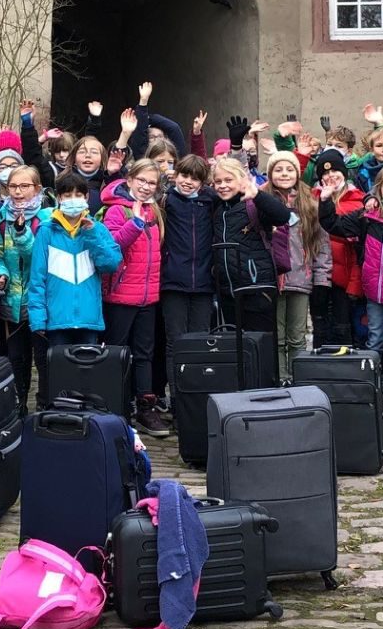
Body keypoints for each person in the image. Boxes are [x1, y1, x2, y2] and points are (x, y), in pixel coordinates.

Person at [319, 164, 383, 403]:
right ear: (378, 189)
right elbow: (333, 225)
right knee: (375, 339)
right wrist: (325, 201)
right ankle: (373, 383)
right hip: (375, 289)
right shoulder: (366, 216)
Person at [26, 172, 124, 402]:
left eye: (78, 194)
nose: (73, 199)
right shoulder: (46, 231)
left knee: (86, 375)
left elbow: (111, 263)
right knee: (58, 375)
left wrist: (91, 234)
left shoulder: (97, 229)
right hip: (56, 320)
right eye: (67, 194)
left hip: (89, 319)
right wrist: (38, 318)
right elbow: (37, 278)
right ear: (59, 198)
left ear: (86, 197)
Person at [102, 159, 168, 436]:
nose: (145, 186)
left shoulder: (156, 212)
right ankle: (117, 407)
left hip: (147, 297)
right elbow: (111, 246)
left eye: (151, 182)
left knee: (144, 355)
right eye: (141, 180)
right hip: (120, 296)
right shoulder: (117, 211)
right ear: (129, 180)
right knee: (118, 353)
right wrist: (136, 222)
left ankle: (145, 406)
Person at [264, 153, 331, 378]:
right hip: (271, 279)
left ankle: (298, 379)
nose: (284, 174)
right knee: (277, 336)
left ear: (297, 173)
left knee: (297, 336)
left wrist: (322, 279)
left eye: (289, 169)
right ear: (270, 174)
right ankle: (280, 378)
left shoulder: (309, 202)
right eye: (279, 169)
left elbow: (321, 245)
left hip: (301, 277)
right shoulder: (261, 199)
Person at [210, 156, 288, 345]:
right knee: (236, 349)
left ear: (241, 180)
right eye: (218, 181)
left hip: (257, 290)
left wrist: (257, 195)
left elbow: (282, 216)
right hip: (228, 293)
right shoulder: (217, 209)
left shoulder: (253, 204)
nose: (223, 186)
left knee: (260, 347)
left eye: (228, 180)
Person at [159, 153, 216, 390]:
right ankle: (177, 396)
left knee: (200, 341)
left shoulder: (210, 201)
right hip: (173, 281)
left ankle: (198, 392)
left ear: (203, 182)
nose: (187, 181)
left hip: (203, 282)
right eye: (184, 175)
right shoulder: (167, 200)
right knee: (176, 341)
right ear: (175, 175)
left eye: (194, 178)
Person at [0, 163, 47, 410]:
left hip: (40, 299)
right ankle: (19, 404)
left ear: (36, 189)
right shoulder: (1, 217)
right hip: (12, 299)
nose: (17, 191)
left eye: (24, 186)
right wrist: (1, 274)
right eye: (13, 186)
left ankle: (45, 405)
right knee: (16, 357)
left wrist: (21, 231)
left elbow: (38, 256)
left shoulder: (47, 218)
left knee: (43, 357)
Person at [314, 147, 368, 348]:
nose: (330, 176)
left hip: (345, 280)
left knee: (346, 330)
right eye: (325, 173)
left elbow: (359, 249)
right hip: (318, 278)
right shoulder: (313, 198)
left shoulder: (360, 201)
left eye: (334, 171)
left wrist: (355, 283)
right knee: (321, 329)